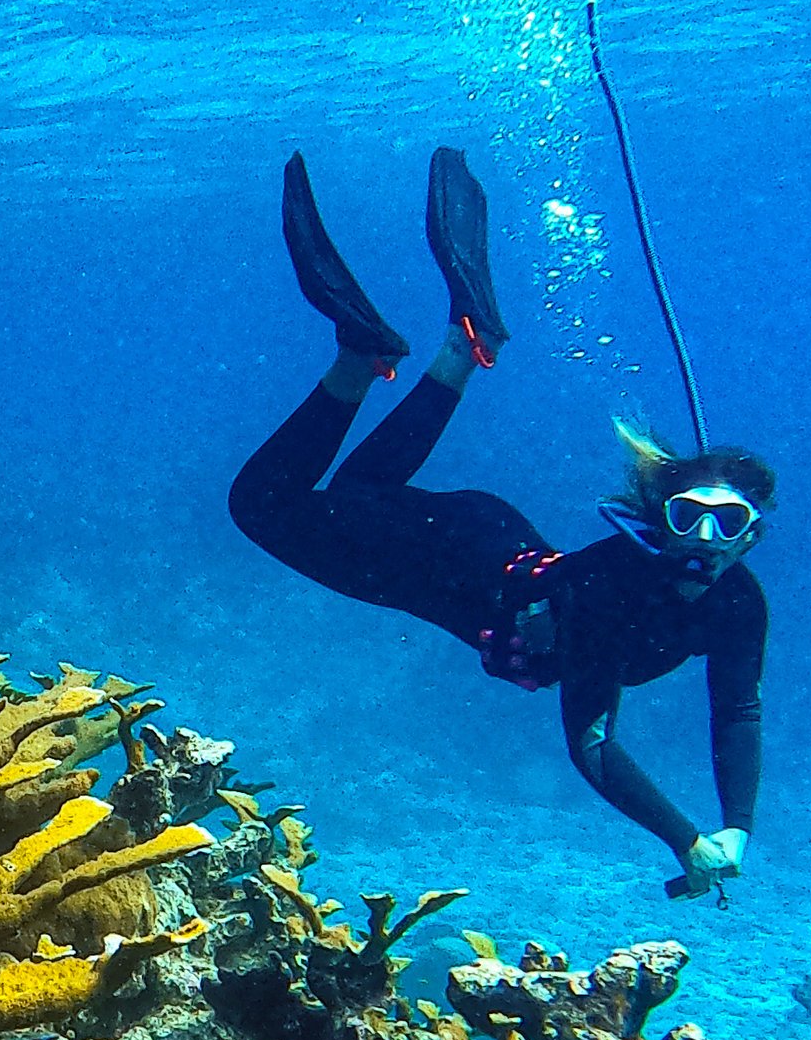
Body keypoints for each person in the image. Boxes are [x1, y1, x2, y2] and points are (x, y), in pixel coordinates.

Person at [227, 145, 770, 898]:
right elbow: (593, 744)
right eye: (687, 516)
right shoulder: (612, 600)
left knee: (359, 491)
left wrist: (734, 824)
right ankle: (391, 350)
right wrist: (686, 839)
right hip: (443, 561)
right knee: (261, 507)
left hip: (487, 538)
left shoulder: (741, 605)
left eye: (727, 523)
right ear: (663, 517)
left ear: (753, 535)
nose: (702, 541)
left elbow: (737, 706)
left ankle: (436, 347)